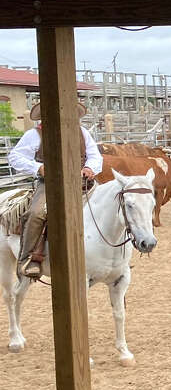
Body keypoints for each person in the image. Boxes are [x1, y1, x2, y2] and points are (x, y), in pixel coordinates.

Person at [8, 99, 102, 279]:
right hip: (50, 185)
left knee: (112, 202)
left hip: (82, 182)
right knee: (36, 213)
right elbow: (15, 157)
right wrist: (37, 167)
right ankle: (29, 258)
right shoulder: (35, 134)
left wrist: (90, 168)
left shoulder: (82, 133)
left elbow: (95, 156)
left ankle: (113, 255)